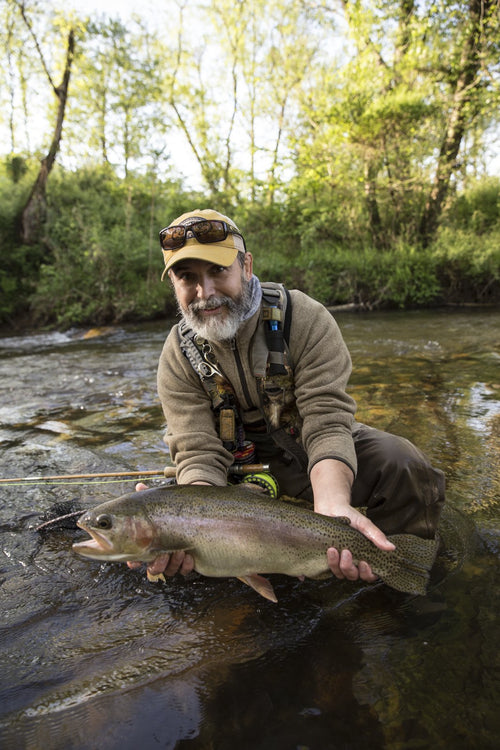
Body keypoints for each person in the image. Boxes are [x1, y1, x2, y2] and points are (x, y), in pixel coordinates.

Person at [129, 208, 445, 584]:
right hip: (234, 474)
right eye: (187, 278)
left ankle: (404, 572)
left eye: (218, 271)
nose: (206, 293)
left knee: (404, 464)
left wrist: (332, 509)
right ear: (174, 286)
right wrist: (191, 522)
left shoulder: (305, 318)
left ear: (246, 266)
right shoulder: (177, 354)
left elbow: (327, 422)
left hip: (312, 453)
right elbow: (198, 451)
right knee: (179, 561)